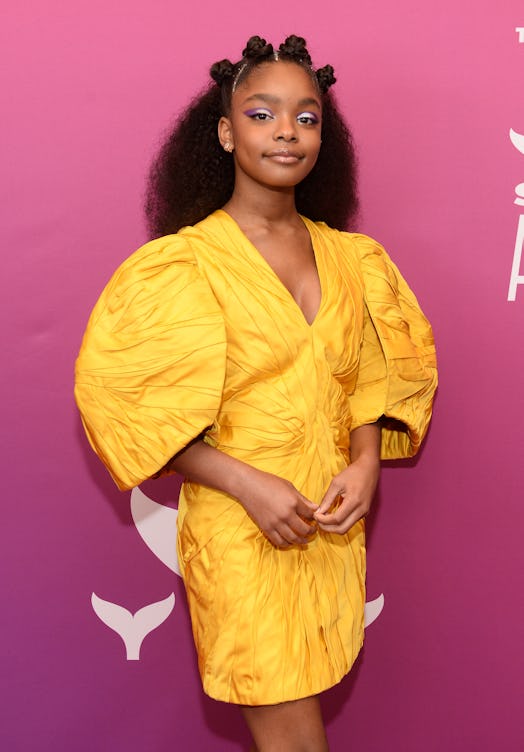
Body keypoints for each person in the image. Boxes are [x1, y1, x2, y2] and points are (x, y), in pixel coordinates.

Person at [75, 35, 437, 752]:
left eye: (306, 118)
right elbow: (131, 402)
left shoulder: (352, 259)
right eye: (262, 113)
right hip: (243, 527)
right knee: (294, 739)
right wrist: (247, 484)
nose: (285, 133)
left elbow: (368, 372)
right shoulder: (182, 265)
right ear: (225, 130)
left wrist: (366, 461)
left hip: (330, 523)